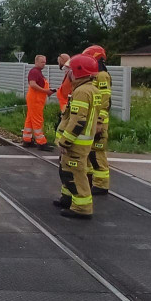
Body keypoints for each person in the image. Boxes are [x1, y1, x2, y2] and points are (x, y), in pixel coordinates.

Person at [53, 54, 100, 219]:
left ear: (79, 71)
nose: (68, 74)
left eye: (70, 71)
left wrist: (65, 142)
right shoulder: (91, 89)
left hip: (75, 143)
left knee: (74, 173)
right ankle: (68, 198)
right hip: (81, 141)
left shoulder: (82, 92)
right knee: (68, 170)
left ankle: (82, 207)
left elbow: (77, 120)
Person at [83, 45, 112, 195]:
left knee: (97, 154)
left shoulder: (102, 76)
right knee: (89, 152)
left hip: (99, 122)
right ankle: (91, 181)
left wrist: (100, 121)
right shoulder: (95, 75)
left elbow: (105, 101)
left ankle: (101, 185)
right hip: (92, 120)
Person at [22, 55, 55, 151]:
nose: (44, 63)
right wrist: (46, 91)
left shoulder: (37, 72)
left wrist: (47, 91)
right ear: (36, 62)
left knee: (30, 119)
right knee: (37, 120)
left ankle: (27, 140)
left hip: (36, 99)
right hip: (35, 99)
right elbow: (32, 84)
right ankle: (41, 142)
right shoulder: (34, 72)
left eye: (45, 62)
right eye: (42, 62)